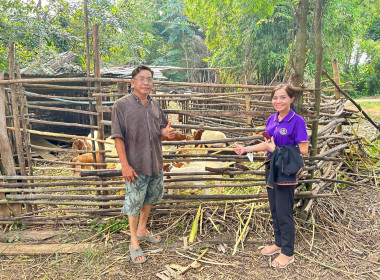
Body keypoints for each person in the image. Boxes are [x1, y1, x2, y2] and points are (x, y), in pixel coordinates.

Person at [234, 84, 308, 269]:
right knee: (275, 209)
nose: (278, 101)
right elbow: (267, 144)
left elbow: (304, 150)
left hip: (286, 171)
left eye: (283, 97)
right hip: (271, 168)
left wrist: (278, 150)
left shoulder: (297, 121)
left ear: (292, 99)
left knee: (284, 212)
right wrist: (246, 149)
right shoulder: (272, 119)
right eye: (275, 97)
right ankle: (278, 243)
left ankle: (288, 252)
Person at [111, 65, 175, 264]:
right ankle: (133, 241)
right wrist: (125, 165)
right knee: (133, 203)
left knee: (150, 196)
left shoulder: (155, 105)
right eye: (142, 78)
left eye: (149, 79)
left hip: (155, 161)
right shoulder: (121, 106)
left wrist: (166, 133)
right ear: (133, 82)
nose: (146, 82)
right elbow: (118, 137)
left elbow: (162, 127)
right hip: (135, 164)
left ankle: (142, 229)